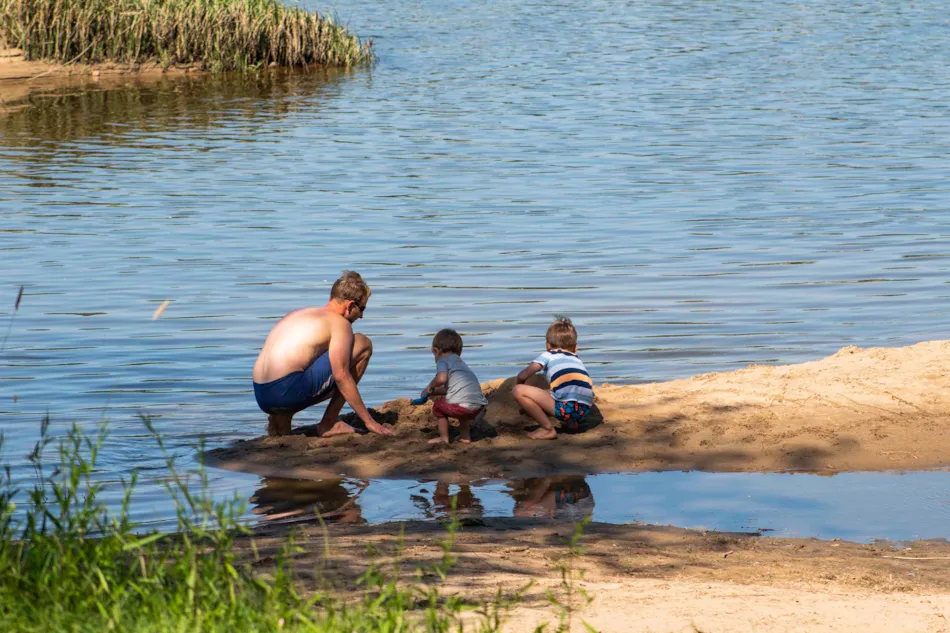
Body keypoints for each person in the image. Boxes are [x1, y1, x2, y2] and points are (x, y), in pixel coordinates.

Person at [252, 271, 393, 437]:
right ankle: (329, 423)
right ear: (350, 306)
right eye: (361, 309)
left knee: (304, 362)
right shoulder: (339, 323)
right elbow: (341, 375)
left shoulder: (299, 314)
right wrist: (370, 422)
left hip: (261, 394)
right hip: (285, 391)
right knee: (362, 343)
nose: (361, 316)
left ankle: (280, 423)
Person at [512, 315, 594, 440]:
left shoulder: (548, 355)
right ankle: (571, 423)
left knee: (518, 390)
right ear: (576, 347)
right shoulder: (576, 359)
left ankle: (547, 429)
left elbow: (524, 374)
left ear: (548, 345)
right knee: (557, 391)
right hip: (585, 409)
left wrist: (520, 384)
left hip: (565, 410)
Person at [420, 328, 488, 444]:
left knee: (438, 407)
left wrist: (429, 386)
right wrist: (433, 392)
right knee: (462, 405)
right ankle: (465, 437)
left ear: (436, 351)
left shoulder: (443, 361)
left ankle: (443, 438)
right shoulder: (460, 363)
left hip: (461, 406)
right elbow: (452, 389)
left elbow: (441, 379)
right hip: (477, 406)